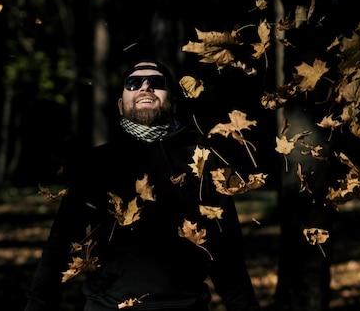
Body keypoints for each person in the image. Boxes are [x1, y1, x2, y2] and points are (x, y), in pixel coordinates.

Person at [24, 59, 260, 311]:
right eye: (133, 83)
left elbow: (227, 255)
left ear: (173, 102)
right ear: (120, 105)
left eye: (157, 83)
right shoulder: (96, 163)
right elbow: (59, 246)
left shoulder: (204, 161)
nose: (145, 86)